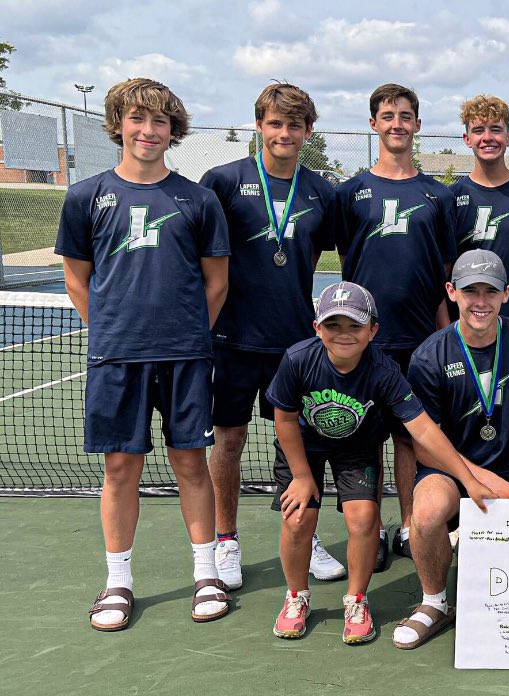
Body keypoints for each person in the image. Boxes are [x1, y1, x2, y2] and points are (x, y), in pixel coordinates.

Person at [56, 78, 232, 631]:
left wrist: (185, 337)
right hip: (116, 359)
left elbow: (217, 284)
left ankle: (206, 573)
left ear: (173, 131)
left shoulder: (197, 199)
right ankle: (118, 582)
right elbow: (76, 279)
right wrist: (111, 333)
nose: (148, 131)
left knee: (190, 465)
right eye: (137, 119)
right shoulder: (85, 196)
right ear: (118, 125)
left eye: (159, 122)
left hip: (185, 359)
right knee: (119, 468)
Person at [267, 281, 495, 644]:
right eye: (333, 325)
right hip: (303, 447)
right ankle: (297, 597)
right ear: (317, 328)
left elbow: (423, 429)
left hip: (356, 447)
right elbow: (284, 419)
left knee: (364, 519)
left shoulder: (384, 371)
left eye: (354, 326)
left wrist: (467, 479)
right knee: (297, 519)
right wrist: (300, 475)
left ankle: (356, 600)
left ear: (372, 330)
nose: (344, 335)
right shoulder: (298, 360)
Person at [199, 82, 344, 590]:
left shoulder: (321, 191)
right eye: (275, 123)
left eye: (296, 125)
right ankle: (226, 540)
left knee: (300, 447)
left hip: (294, 345)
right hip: (231, 341)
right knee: (229, 441)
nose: (285, 133)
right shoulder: (220, 181)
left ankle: (305, 533)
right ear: (259, 125)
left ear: (308, 131)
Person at [394, 250, 509, 649]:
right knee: (425, 513)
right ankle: (434, 603)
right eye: (470, 291)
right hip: (449, 470)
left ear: (506, 294)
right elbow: (425, 448)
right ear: (451, 292)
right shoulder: (429, 356)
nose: (480, 302)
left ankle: (469, 539)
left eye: (489, 292)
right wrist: (474, 478)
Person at [335, 83, 459, 562]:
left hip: (420, 338)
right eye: (387, 116)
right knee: (364, 436)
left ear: (418, 125)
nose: (396, 124)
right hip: (362, 341)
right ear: (374, 124)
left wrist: (442, 332)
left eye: (405, 116)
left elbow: (442, 270)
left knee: (411, 435)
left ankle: (409, 525)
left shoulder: (436, 195)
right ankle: (368, 531)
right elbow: (349, 258)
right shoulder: (351, 192)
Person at [449, 95, 509, 324]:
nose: (487, 138)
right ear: (466, 138)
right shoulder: (452, 197)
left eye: (495, 129)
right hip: (467, 325)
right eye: (478, 130)